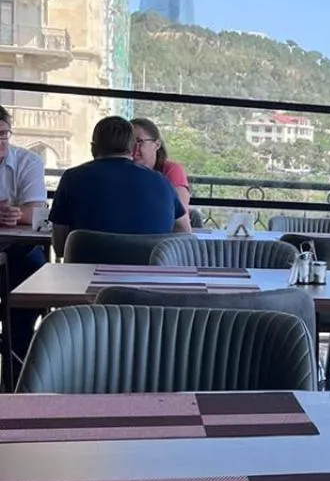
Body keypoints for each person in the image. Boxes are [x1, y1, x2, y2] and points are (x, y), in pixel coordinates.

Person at [50, 115, 190, 257]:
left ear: (93, 148)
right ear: (133, 148)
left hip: (86, 275)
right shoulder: (161, 181)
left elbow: (60, 248)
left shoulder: (71, 178)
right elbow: (185, 233)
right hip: (150, 275)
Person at [0, 104, 49, 359]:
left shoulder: (27, 161)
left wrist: (17, 214)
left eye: (4, 134)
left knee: (33, 270)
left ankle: (17, 368)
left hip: (18, 250)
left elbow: (37, 211)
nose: (1, 141)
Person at [131, 116, 191, 205]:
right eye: (130, 142)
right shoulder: (121, 171)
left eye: (140, 141)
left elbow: (181, 215)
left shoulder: (171, 170)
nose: (134, 147)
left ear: (157, 144)